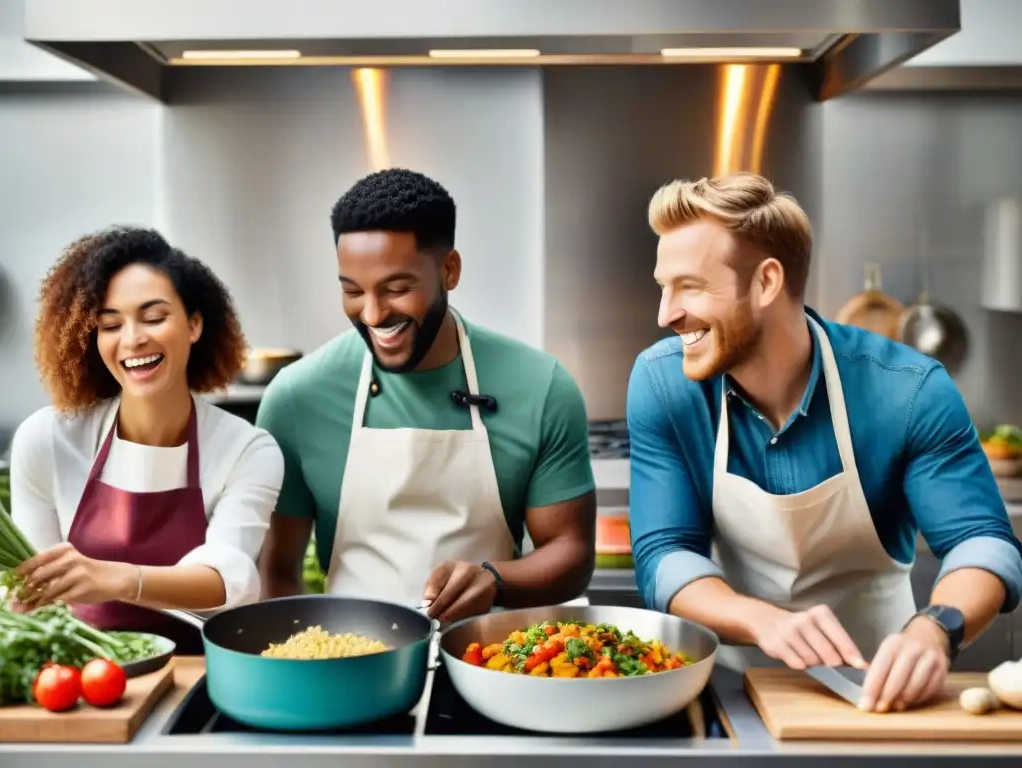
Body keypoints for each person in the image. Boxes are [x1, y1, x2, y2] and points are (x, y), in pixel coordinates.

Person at [627, 172, 1022, 713]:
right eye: (663, 286)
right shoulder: (662, 384)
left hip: (882, 692)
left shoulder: (907, 392)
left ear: (766, 283)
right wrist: (761, 620)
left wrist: (936, 628)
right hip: (727, 694)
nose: (665, 313)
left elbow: (983, 542)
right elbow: (664, 555)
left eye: (690, 286)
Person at [256, 168, 596, 623]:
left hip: (489, 661)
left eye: (397, 289)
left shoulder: (541, 386)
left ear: (449, 270)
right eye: (354, 291)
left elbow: (570, 552)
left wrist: (496, 579)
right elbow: (276, 572)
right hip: (348, 664)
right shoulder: (297, 398)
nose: (374, 315)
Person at [9, 227, 284, 653]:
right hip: (86, 679)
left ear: (194, 325)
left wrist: (117, 578)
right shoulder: (46, 440)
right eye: (110, 325)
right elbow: (36, 597)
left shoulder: (246, 449)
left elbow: (230, 580)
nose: (133, 338)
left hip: (201, 677)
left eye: (154, 318)